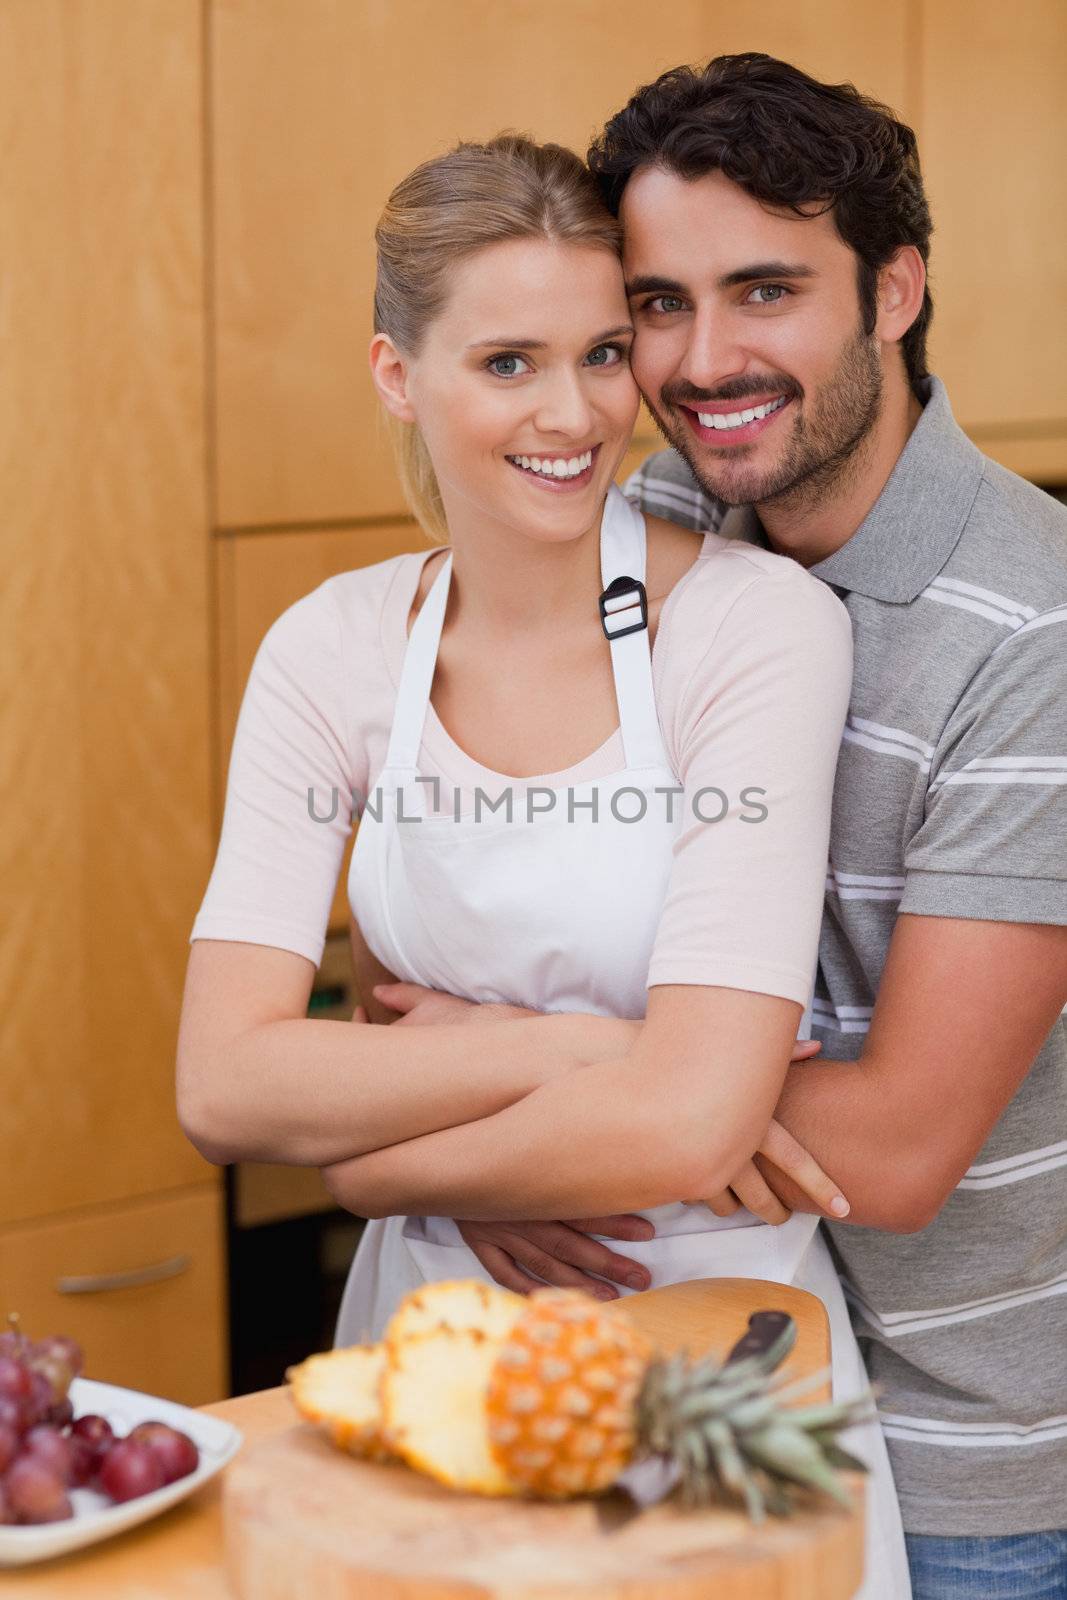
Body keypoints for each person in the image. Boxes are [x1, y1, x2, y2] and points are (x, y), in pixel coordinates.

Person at [177, 134, 910, 1594]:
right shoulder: (332, 649)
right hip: (430, 1342)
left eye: (596, 351)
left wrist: (375, 1172)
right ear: (397, 372)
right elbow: (223, 1083)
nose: (572, 413)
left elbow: (697, 1129)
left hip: (718, 1346)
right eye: (505, 363)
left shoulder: (753, 632)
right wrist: (581, 1053)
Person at [577, 50, 1064, 1600]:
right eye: (660, 302)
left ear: (896, 290)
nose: (705, 358)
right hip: (683, 1400)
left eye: (767, 291)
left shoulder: (1032, 630)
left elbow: (905, 1147)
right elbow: (482, 923)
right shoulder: (646, 529)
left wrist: (507, 1116)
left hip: (959, 1473)